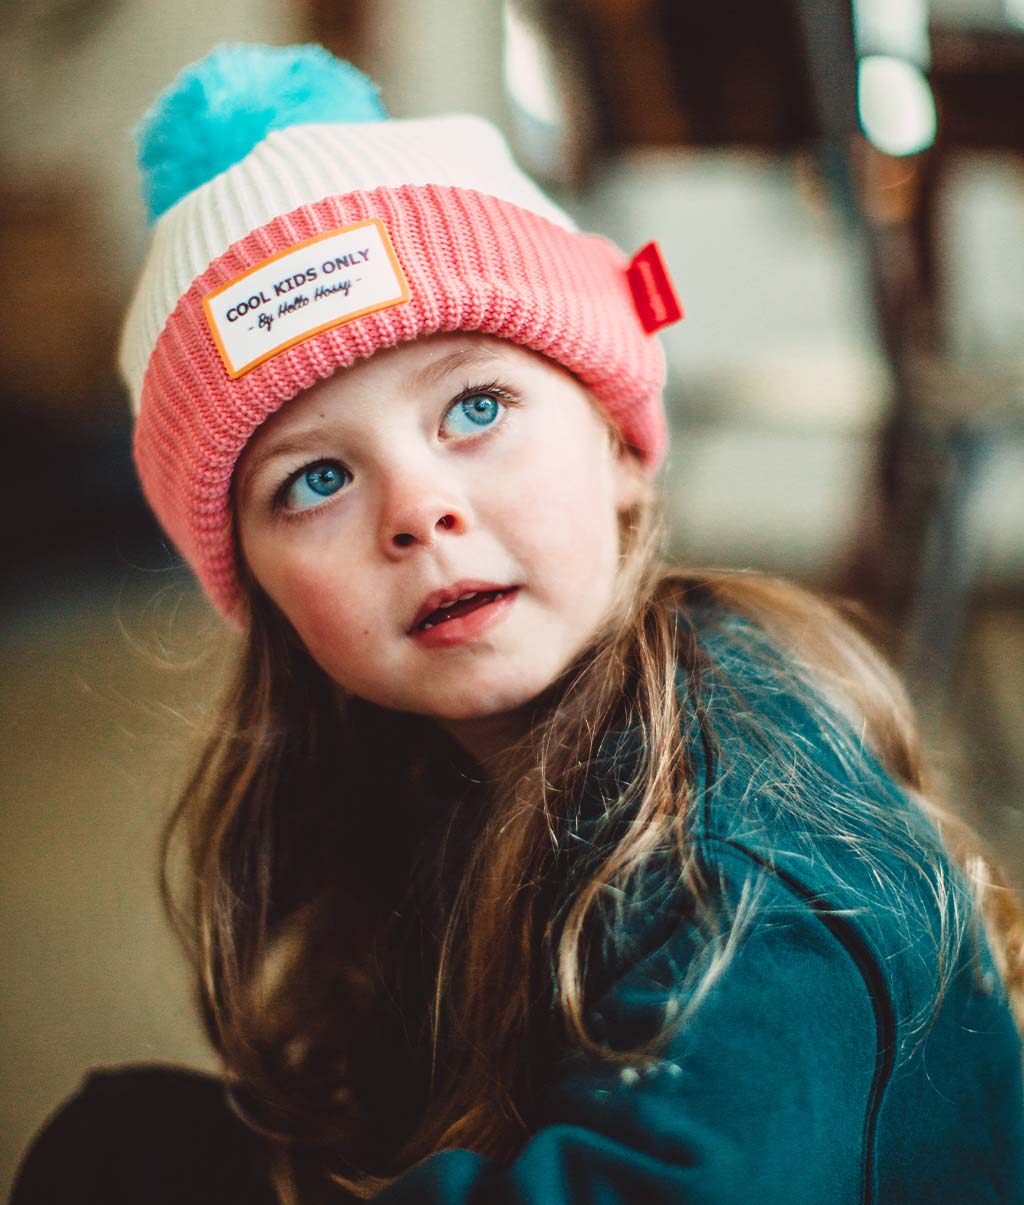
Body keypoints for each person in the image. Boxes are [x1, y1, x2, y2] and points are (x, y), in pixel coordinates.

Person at [12, 42, 1024, 1205]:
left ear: (616, 445)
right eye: (315, 480)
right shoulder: (406, 768)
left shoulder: (747, 857)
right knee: (126, 1138)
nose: (418, 509)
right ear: (264, 592)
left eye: (475, 406)